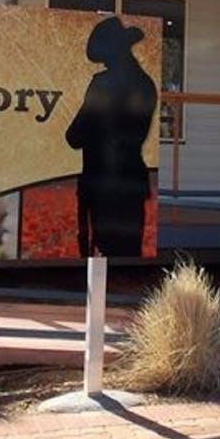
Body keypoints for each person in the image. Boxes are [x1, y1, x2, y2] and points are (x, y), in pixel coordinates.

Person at [66, 16, 157, 258]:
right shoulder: (146, 83)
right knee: (128, 254)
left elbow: (74, 136)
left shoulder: (103, 84)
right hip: (132, 181)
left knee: (100, 258)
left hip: (101, 183)